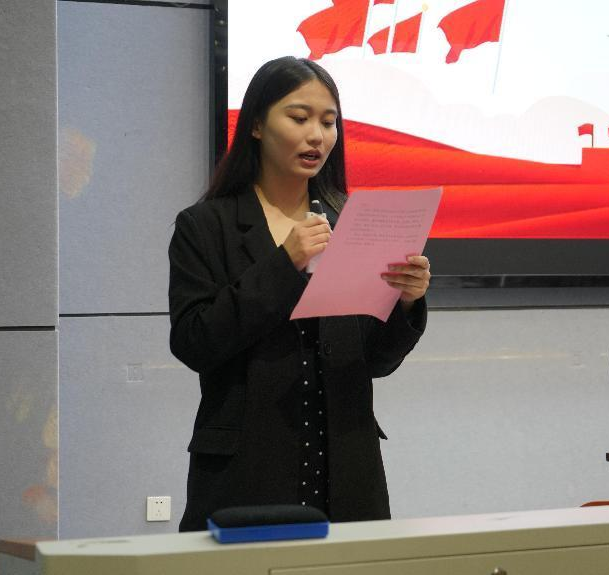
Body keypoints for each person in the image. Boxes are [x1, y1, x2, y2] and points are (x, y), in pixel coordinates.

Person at [168, 56, 431, 532]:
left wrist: (406, 301)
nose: (317, 136)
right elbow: (194, 342)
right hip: (246, 474)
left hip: (348, 471)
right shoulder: (206, 226)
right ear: (255, 125)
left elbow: (375, 362)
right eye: (299, 117)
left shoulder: (351, 221)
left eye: (328, 122)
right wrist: (282, 263)